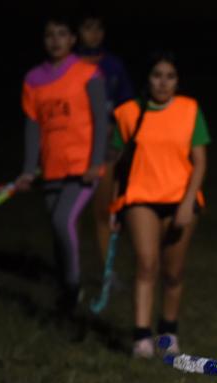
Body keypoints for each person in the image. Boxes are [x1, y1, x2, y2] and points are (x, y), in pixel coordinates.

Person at [110, 52, 209, 358]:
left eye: (170, 76)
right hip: (141, 198)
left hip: (180, 199)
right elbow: (119, 163)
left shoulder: (189, 109)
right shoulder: (128, 112)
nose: (163, 83)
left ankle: (168, 332)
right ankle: (141, 336)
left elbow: (199, 161)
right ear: (147, 79)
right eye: (157, 75)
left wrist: (187, 202)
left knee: (173, 271)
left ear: (178, 80)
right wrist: (115, 206)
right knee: (146, 263)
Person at [16, 17, 108, 319]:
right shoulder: (33, 78)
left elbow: (100, 120)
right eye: (49, 35)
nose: (55, 40)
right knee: (58, 231)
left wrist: (96, 162)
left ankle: (72, 287)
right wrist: (28, 169)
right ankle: (64, 290)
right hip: (52, 167)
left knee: (62, 220)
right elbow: (32, 126)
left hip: (82, 167)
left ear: (72, 40)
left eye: (62, 34)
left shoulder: (88, 73)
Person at [77, 14, 134, 275]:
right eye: (88, 28)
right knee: (72, 215)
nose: (94, 34)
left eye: (99, 28)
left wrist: (120, 137)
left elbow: (126, 107)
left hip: (104, 149)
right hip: (75, 148)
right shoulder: (68, 66)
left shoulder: (113, 65)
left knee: (103, 211)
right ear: (77, 32)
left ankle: (106, 273)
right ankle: (72, 272)